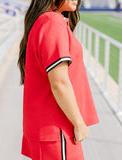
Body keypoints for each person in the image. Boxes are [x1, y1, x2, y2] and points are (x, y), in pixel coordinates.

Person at [17, 0, 99, 159]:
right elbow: (59, 82)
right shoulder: (52, 22)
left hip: (50, 130)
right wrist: (79, 123)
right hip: (56, 129)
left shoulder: (45, 20)